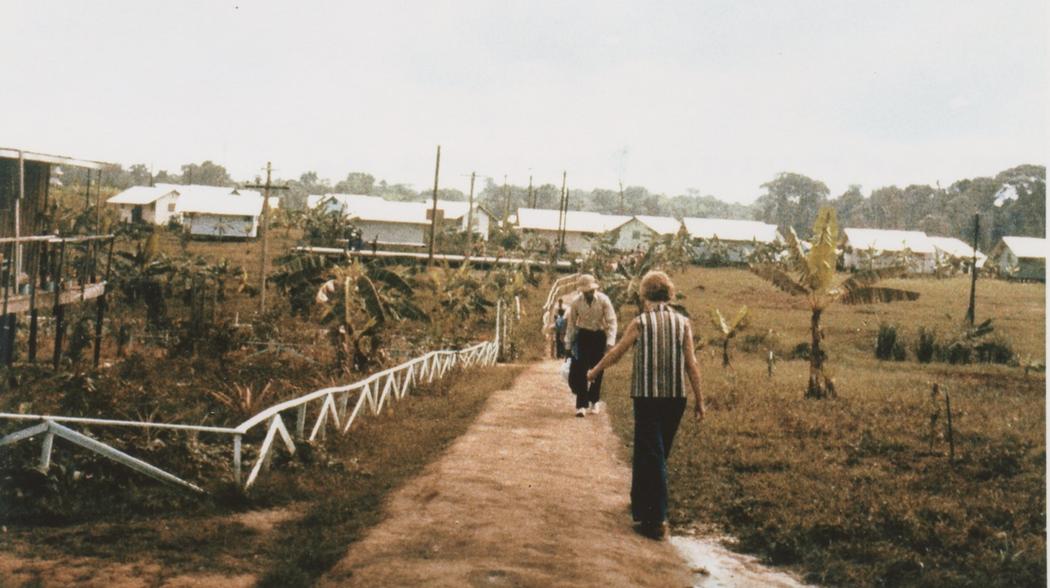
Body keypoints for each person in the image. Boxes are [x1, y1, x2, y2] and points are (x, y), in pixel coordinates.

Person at [586, 270, 704, 541]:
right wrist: (700, 400)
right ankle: (641, 506)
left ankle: (657, 518)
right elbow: (691, 364)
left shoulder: (641, 322)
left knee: (651, 455)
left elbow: (616, 353)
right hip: (676, 399)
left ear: (644, 294)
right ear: (669, 294)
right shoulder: (683, 323)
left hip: (648, 397)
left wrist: (594, 371)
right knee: (655, 453)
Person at [564, 274, 617, 417]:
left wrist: (610, 343)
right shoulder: (576, 302)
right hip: (584, 336)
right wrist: (568, 344)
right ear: (582, 291)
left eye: (591, 291)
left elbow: (612, 322)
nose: (589, 293)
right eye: (586, 291)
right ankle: (581, 405)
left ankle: (594, 400)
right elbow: (571, 325)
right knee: (581, 369)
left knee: (597, 369)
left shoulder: (603, 300)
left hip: (599, 336)